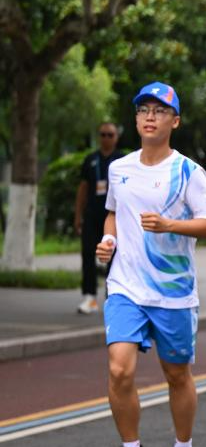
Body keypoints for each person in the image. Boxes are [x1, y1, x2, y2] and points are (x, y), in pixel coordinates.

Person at [96, 82, 206, 447]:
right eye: (143, 110)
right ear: (136, 119)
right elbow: (113, 213)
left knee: (176, 374)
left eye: (160, 110)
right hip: (126, 286)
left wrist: (170, 225)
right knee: (119, 368)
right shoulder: (120, 168)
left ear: (175, 121)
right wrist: (109, 240)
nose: (150, 117)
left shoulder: (188, 172)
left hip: (173, 292)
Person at [73, 122, 125, 314]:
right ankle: (89, 297)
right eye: (103, 134)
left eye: (110, 135)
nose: (106, 138)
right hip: (92, 214)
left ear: (116, 137)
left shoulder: (122, 160)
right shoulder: (90, 159)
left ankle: (113, 297)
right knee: (88, 253)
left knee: (114, 255)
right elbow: (83, 188)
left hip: (114, 215)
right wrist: (78, 216)